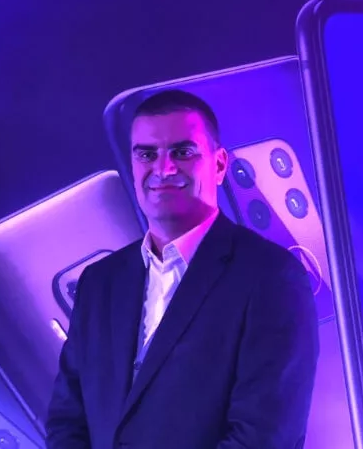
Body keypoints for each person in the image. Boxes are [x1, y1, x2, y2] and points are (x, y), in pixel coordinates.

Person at [46, 89, 319, 449]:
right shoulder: (100, 283)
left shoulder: (272, 278)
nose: (163, 169)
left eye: (183, 152)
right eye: (147, 154)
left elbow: (262, 438)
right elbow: (67, 420)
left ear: (219, 165)